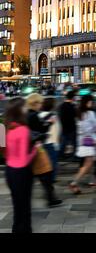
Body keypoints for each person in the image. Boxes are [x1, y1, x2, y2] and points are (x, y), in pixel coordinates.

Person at [4, 98, 37, 233]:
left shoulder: (7, 127)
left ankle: (16, 229)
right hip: (21, 173)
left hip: (9, 171)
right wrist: (35, 150)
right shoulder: (23, 129)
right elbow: (24, 160)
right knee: (25, 207)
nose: (26, 109)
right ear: (19, 110)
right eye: (24, 107)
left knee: (17, 205)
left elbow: (6, 153)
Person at [26, 93, 62, 207]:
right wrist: (49, 123)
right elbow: (40, 129)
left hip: (31, 148)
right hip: (36, 148)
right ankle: (50, 198)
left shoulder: (27, 114)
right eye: (40, 102)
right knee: (45, 172)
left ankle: (50, 198)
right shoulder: (33, 115)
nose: (41, 105)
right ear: (35, 103)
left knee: (40, 174)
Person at [69, 94, 96, 194]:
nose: (92, 104)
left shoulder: (79, 113)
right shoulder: (90, 113)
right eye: (91, 102)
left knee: (89, 163)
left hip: (82, 140)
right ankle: (74, 182)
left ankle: (93, 181)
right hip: (89, 141)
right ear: (87, 102)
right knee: (88, 164)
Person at [40, 97, 61, 182]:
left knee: (43, 161)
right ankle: (51, 178)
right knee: (52, 162)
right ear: (52, 106)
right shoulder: (53, 116)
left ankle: (43, 177)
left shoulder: (39, 115)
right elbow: (57, 130)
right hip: (51, 142)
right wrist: (57, 143)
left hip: (41, 143)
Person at [58, 89, 77, 159]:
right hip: (71, 127)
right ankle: (74, 156)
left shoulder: (62, 105)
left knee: (63, 142)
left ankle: (60, 154)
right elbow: (74, 115)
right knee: (74, 142)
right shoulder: (72, 106)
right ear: (73, 98)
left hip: (64, 127)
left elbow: (61, 116)